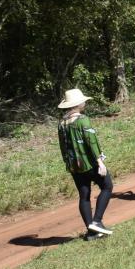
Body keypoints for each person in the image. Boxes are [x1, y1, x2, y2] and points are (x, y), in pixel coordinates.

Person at [56, 88, 113, 238]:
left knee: (84, 195)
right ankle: (97, 221)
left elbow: (62, 146)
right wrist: (100, 162)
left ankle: (91, 232)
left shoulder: (62, 123)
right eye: (83, 101)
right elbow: (91, 142)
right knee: (107, 186)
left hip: (74, 165)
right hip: (89, 163)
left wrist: (68, 163)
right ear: (78, 104)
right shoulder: (83, 120)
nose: (85, 103)